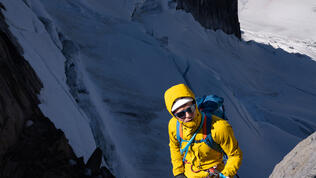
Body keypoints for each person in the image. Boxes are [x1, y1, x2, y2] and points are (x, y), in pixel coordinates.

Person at [164, 84, 242, 178]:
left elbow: (235, 155)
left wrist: (226, 175)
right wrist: (178, 173)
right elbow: (174, 147)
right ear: (174, 116)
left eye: (190, 109)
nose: (188, 115)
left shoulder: (219, 127)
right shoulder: (173, 125)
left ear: (195, 105)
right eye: (181, 114)